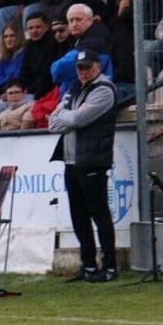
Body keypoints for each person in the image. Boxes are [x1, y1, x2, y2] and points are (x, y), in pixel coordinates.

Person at [48, 47, 118, 283]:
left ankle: (109, 266)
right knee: (78, 217)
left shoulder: (104, 90)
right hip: (71, 162)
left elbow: (77, 118)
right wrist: (70, 117)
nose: (83, 72)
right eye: (80, 68)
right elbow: (52, 122)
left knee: (99, 215)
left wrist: (68, 116)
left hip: (92, 161)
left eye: (87, 67)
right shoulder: (74, 88)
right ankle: (88, 265)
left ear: (97, 67)